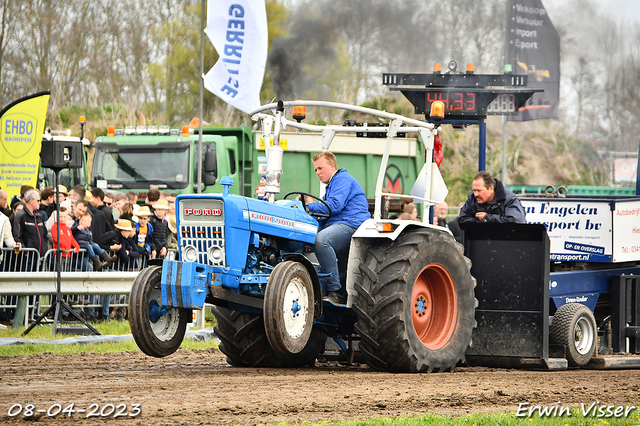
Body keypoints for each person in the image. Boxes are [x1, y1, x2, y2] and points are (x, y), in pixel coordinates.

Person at [306, 151, 370, 305]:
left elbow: (334, 206)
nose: (318, 173)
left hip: (353, 224)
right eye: (315, 170)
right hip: (339, 222)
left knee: (321, 240)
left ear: (332, 165)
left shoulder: (342, 179)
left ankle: (335, 291)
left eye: (320, 168)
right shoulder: (332, 185)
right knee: (305, 236)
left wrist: (306, 207)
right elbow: (327, 214)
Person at [458, 171, 526, 224]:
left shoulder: (508, 198)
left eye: (479, 190)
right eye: (474, 190)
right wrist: (480, 222)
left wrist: (487, 218)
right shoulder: (472, 198)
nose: (475, 194)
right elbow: (462, 219)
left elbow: (517, 221)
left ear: (491, 189)